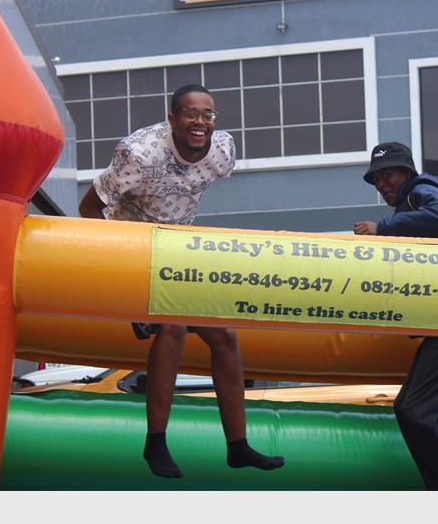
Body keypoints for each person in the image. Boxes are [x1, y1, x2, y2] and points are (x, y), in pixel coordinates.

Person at [79, 83, 285, 479]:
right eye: (190, 114)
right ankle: (155, 442)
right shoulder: (139, 154)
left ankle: (238, 446)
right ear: (172, 119)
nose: (199, 122)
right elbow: (89, 207)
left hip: (177, 250)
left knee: (224, 335)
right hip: (133, 248)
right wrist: (115, 264)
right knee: (172, 327)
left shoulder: (222, 150)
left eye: (207, 114)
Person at [353, 141, 438, 491]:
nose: (382, 184)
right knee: (406, 407)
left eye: (388, 176)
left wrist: (382, 228)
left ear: (407, 173)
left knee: (415, 409)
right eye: (377, 179)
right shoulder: (407, 207)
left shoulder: (420, 190)